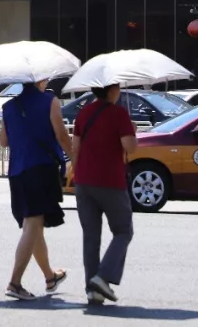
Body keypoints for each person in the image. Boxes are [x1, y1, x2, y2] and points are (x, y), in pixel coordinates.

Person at [0, 78, 72, 301]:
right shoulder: (50, 101)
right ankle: (15, 282)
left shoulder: (9, 106)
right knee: (33, 224)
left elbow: (2, 141)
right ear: (41, 80)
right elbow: (61, 135)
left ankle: (50, 277)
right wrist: (76, 157)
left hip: (17, 172)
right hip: (40, 169)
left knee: (34, 225)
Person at [70, 83, 137, 305]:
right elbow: (131, 146)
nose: (119, 91)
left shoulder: (84, 112)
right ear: (111, 91)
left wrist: (75, 176)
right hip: (110, 181)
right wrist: (132, 131)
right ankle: (103, 276)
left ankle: (93, 289)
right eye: (117, 87)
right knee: (123, 230)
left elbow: (75, 148)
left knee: (91, 237)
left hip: (83, 181)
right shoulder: (119, 114)